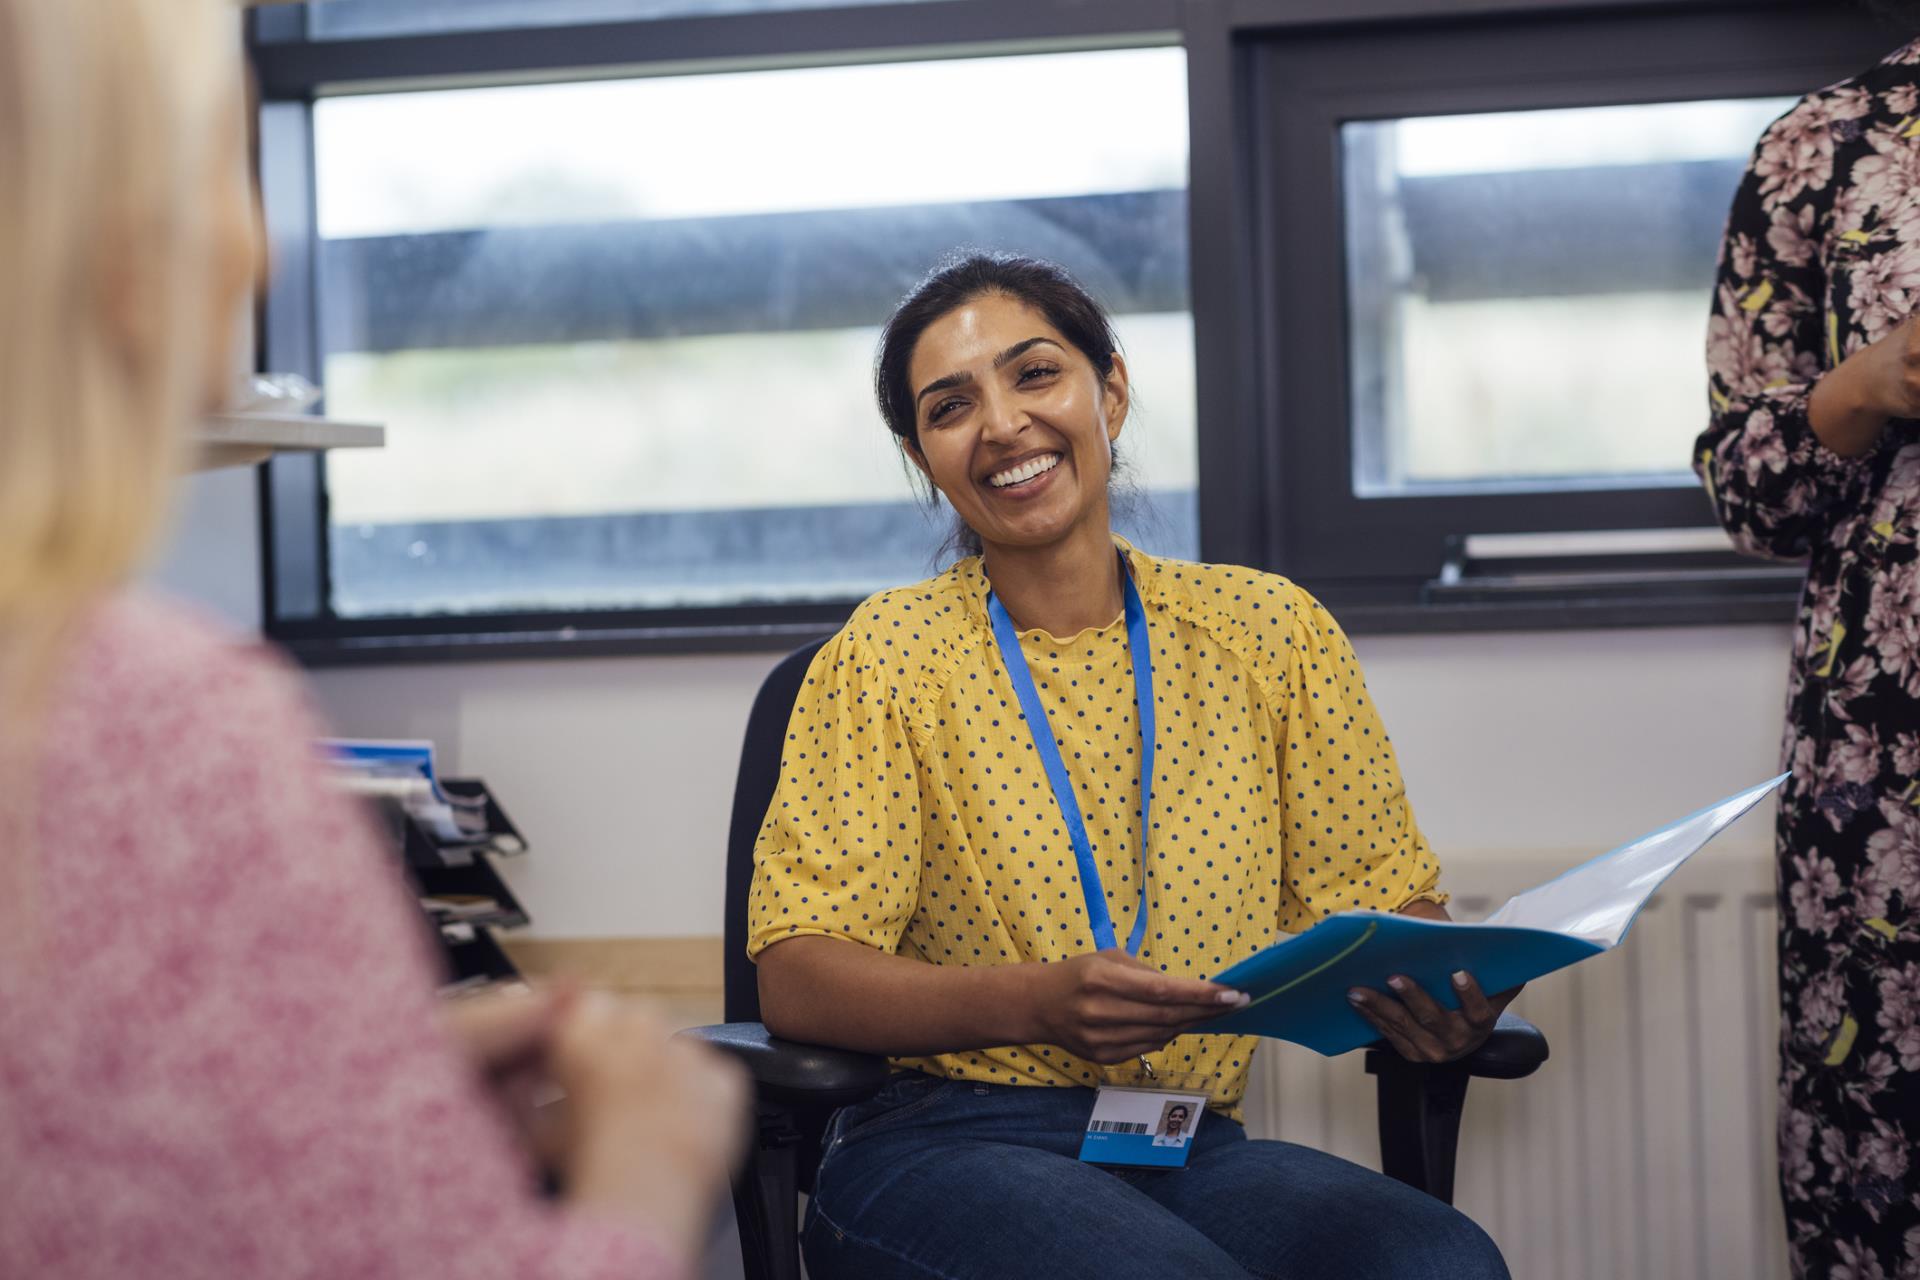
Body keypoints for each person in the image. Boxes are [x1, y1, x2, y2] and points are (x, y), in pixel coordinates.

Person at [0, 3, 746, 1276]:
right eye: (226, 164)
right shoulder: (154, 727)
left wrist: (354, 1074)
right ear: (125, 244)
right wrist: (650, 1155)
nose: (262, 252)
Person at [749, 252, 1514, 1279]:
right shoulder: (886, 656)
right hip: (938, 1142)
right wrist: (1035, 1000)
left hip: (1181, 1136)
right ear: (921, 453)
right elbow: (798, 978)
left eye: (1034, 374)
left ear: (1109, 388)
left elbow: (1383, 901)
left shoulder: (1271, 632)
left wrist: (1450, 980)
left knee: (1440, 1262)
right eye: (950, 406)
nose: (1004, 426)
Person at [1696, 7, 1920, 1274]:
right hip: (1890, 782)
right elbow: (1742, 483)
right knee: (1883, 1169)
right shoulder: (1822, 145)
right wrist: (1869, 383)